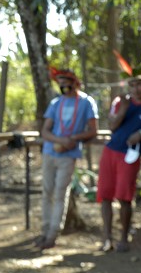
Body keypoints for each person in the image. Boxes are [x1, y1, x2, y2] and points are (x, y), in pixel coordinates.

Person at [97, 73, 141, 252]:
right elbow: (112, 126)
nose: (136, 88)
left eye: (140, 84)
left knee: (124, 197)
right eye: (132, 85)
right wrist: (123, 109)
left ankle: (124, 238)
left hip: (130, 155)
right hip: (111, 151)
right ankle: (107, 238)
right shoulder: (121, 103)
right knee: (105, 195)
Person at [37, 69, 98, 250]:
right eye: (60, 82)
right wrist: (60, 140)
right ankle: (44, 230)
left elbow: (93, 130)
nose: (63, 85)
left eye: (65, 82)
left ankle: (53, 233)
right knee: (46, 192)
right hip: (50, 152)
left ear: (74, 82)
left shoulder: (87, 102)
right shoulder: (56, 103)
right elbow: (45, 130)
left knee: (60, 193)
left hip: (69, 155)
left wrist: (74, 139)